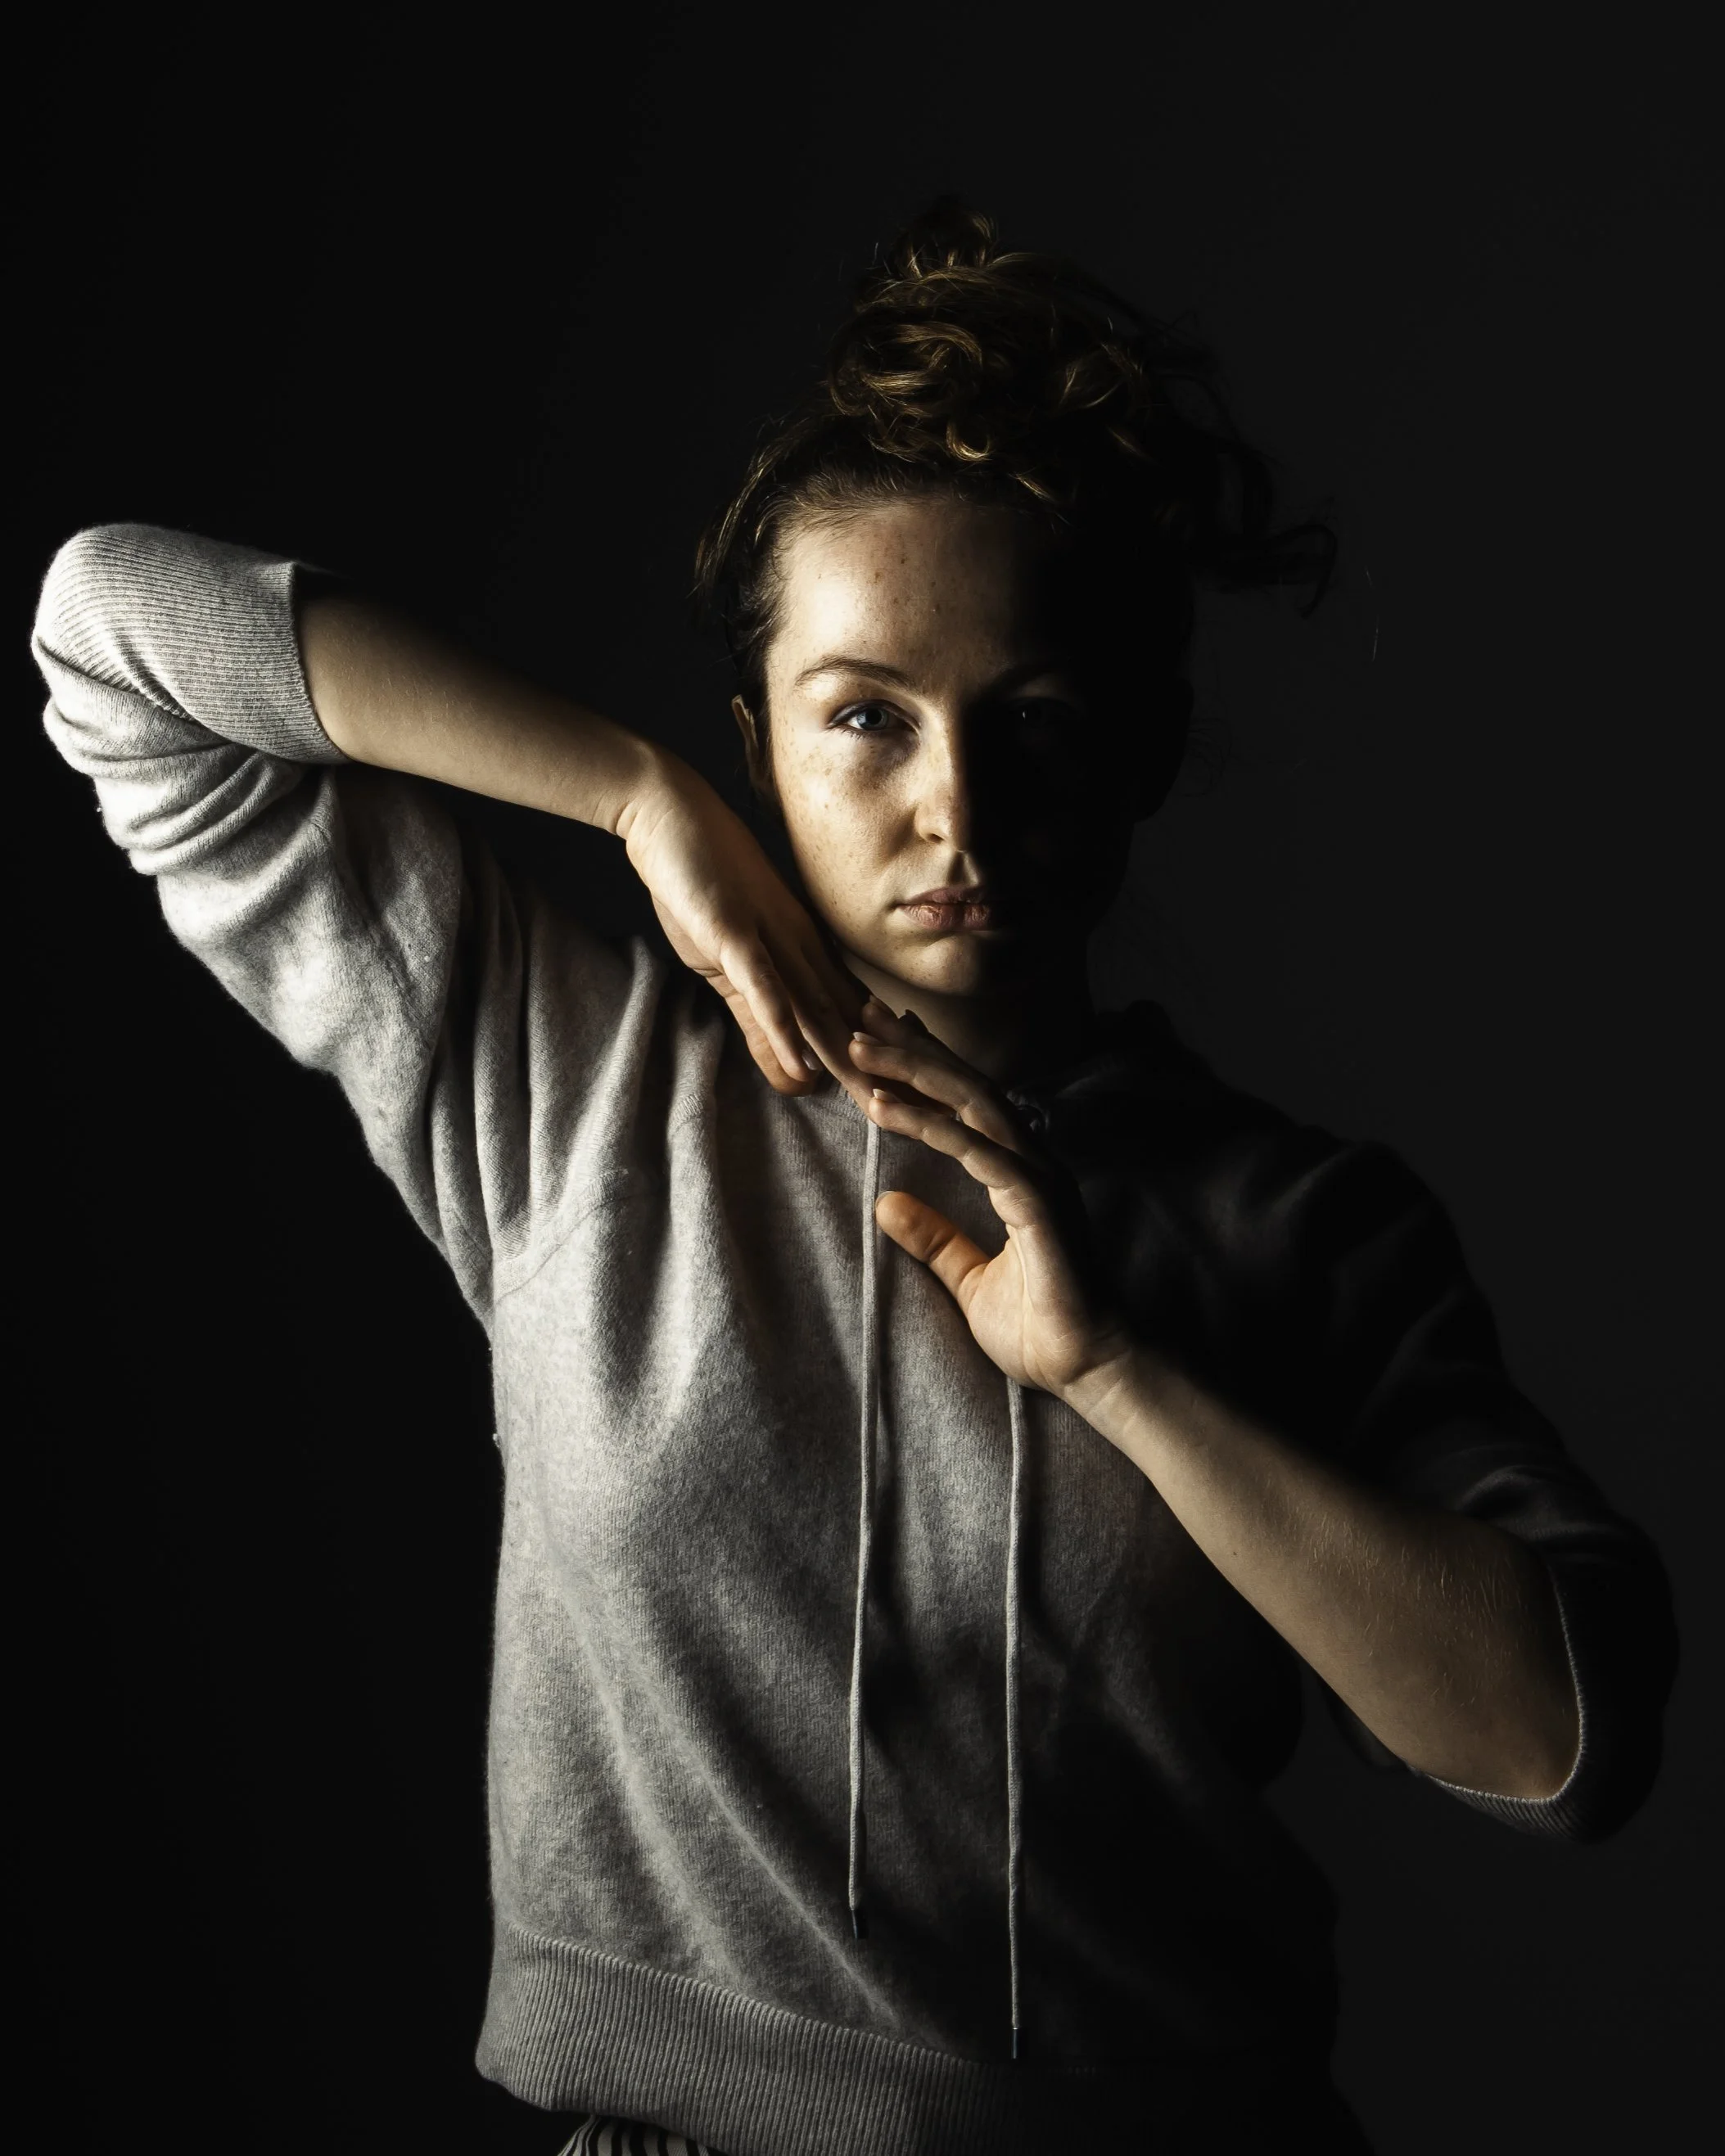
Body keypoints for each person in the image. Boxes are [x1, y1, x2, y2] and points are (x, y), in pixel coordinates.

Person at [31, 201, 1674, 2155]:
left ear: (1143, 750)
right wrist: (636, 799)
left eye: (1035, 725)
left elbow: (1564, 1743)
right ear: (761, 738)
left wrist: (1121, 1375)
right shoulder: (570, 1084)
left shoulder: (1306, 1224)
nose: (953, 809)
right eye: (866, 719)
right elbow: (110, 629)